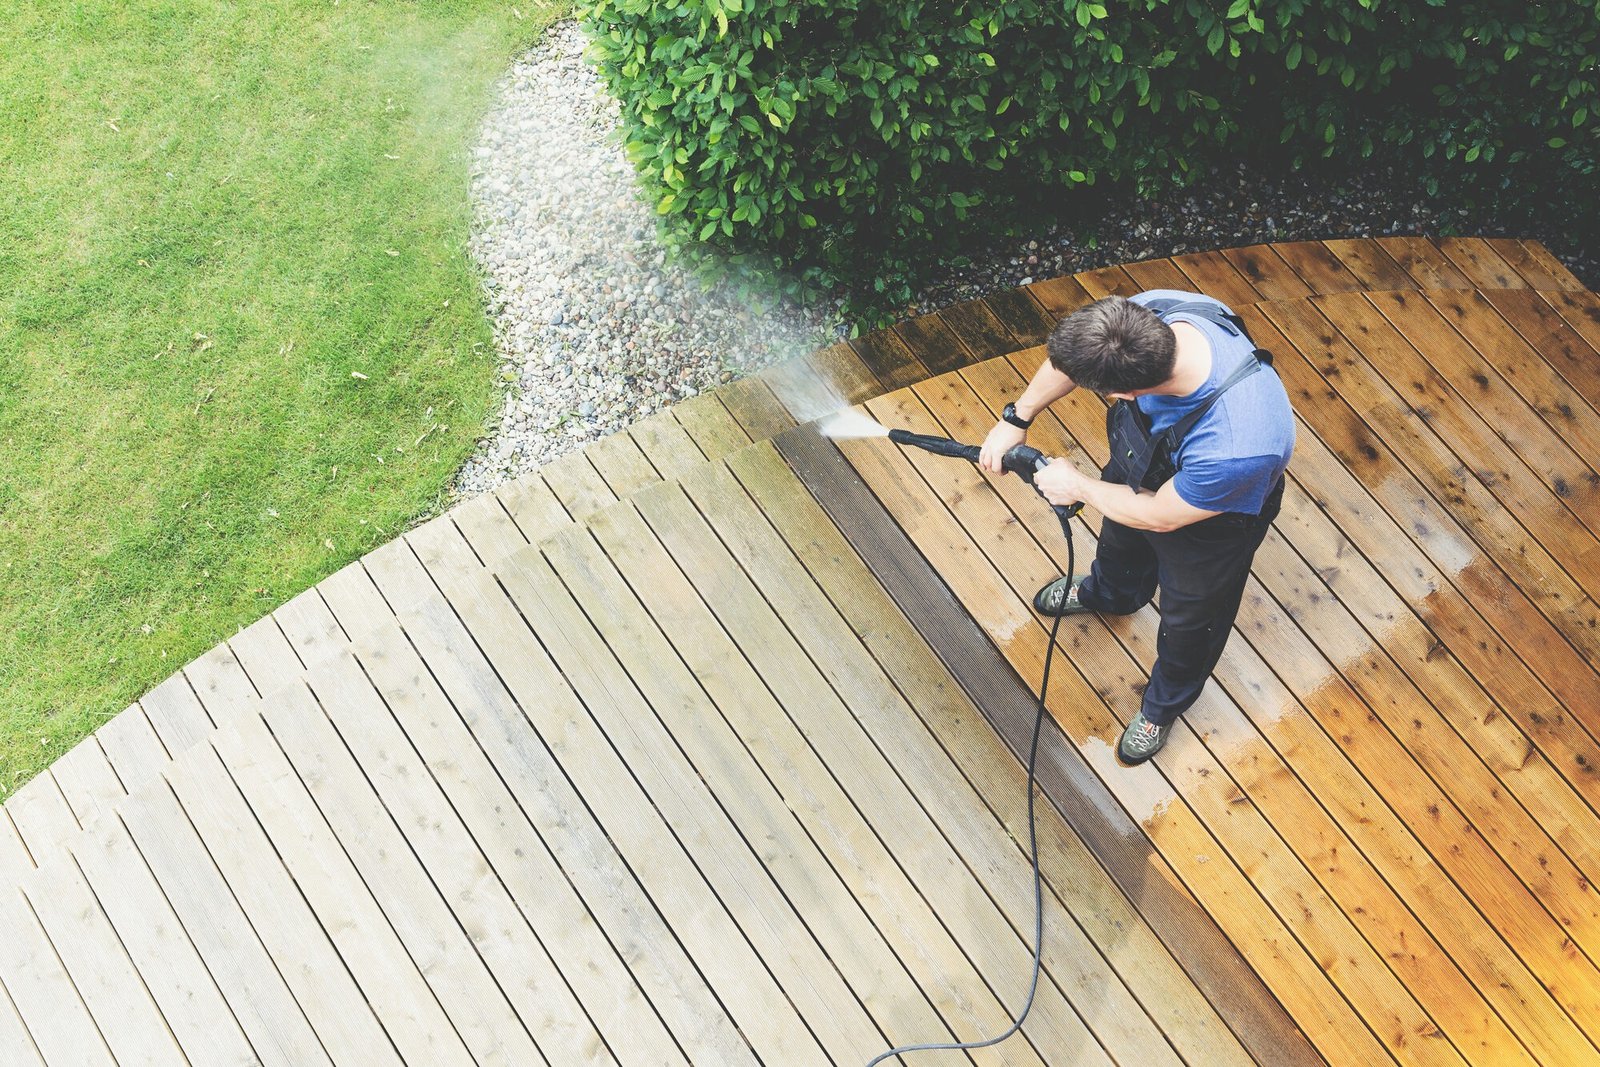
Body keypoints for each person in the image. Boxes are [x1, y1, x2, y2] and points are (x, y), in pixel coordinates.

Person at [979, 291, 1294, 765]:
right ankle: (1111, 595)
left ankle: (1161, 708)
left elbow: (1160, 515)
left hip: (1212, 522)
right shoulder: (1146, 317)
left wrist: (1078, 486)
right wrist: (1016, 417)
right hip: (1141, 466)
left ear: (1123, 395)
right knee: (1119, 546)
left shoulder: (1240, 443)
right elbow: (1070, 361)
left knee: (1192, 621)